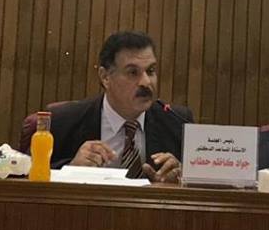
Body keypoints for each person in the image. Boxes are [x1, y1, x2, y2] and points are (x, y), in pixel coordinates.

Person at [49, 30, 192, 183]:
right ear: (105, 77)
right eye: (133, 72)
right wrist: (70, 170)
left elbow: (197, 182)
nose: (146, 82)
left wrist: (181, 177)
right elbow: (34, 176)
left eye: (150, 71)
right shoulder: (63, 121)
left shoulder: (178, 122)